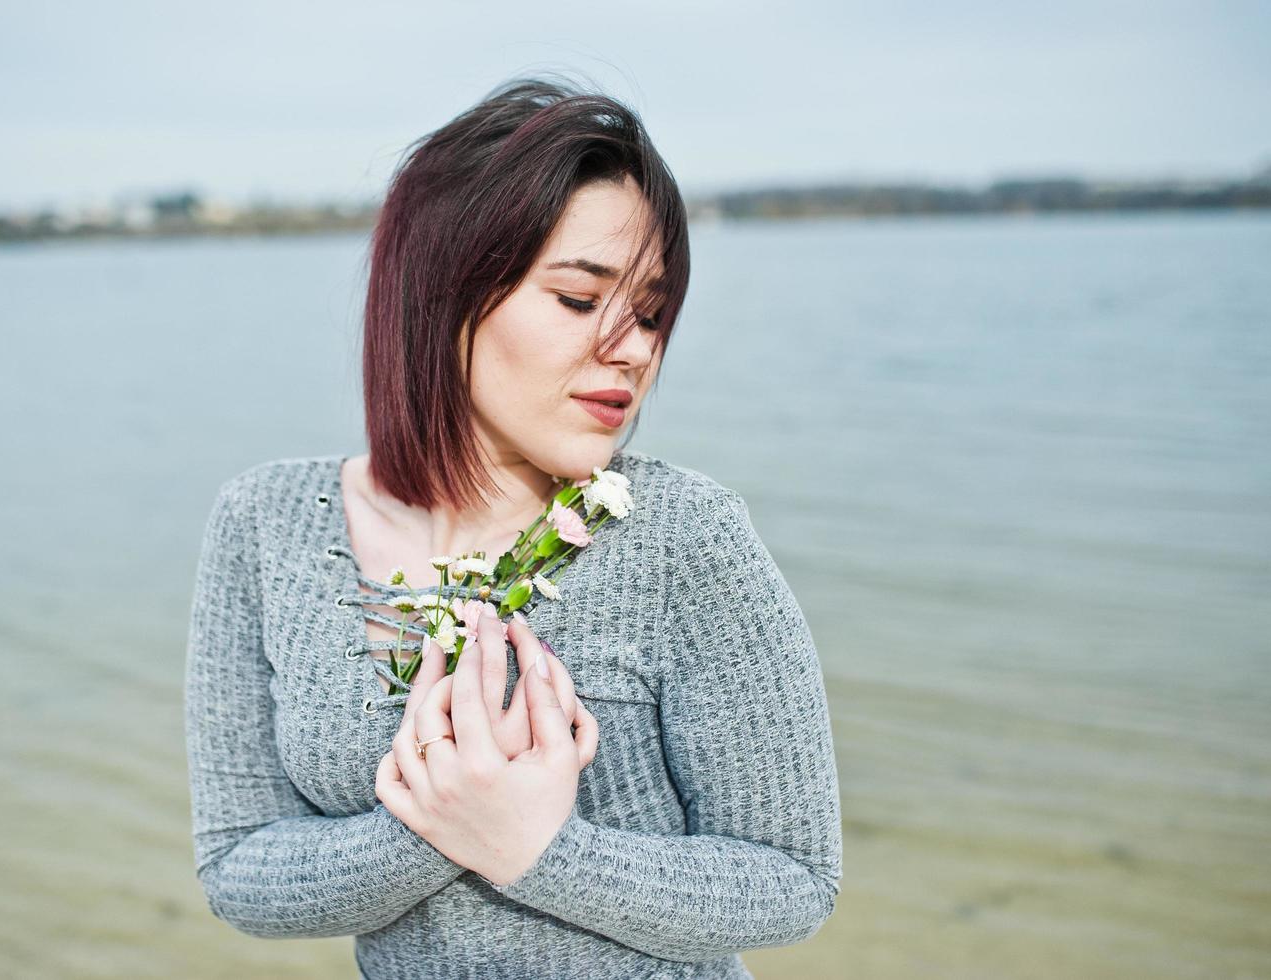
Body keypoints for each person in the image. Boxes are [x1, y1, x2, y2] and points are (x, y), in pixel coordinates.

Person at [184, 75, 842, 979]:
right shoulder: (264, 524)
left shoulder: (685, 535)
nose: (635, 348)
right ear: (441, 295)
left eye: (649, 312)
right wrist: (437, 828)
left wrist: (542, 851)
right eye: (579, 299)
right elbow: (240, 869)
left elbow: (791, 882)